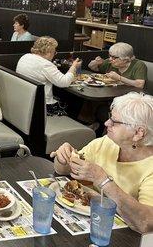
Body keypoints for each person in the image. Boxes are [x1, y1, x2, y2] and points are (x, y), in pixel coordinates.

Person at [51, 92, 153, 233]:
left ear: (138, 133)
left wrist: (102, 180)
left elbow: (146, 223)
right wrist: (63, 159)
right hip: (92, 222)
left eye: (115, 122)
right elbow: (63, 171)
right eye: (109, 117)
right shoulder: (107, 142)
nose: (106, 123)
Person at [16, 36, 81, 115]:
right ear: (48, 52)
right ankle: (81, 123)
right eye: (54, 52)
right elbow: (64, 82)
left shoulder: (25, 57)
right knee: (75, 100)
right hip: (42, 107)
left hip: (26, 101)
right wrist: (73, 66)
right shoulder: (45, 64)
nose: (54, 55)